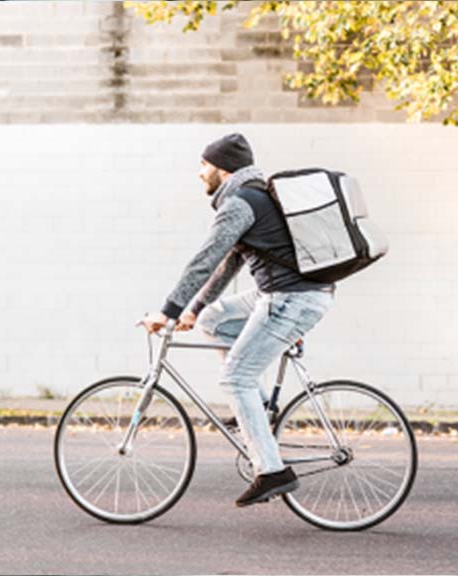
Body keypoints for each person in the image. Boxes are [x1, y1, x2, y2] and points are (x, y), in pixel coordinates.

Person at [139, 133, 335, 507]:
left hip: (288, 298)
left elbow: (206, 258)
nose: (199, 173)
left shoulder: (239, 203)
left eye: (204, 165)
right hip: (291, 294)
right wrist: (194, 309)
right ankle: (258, 408)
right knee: (214, 320)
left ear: (222, 168)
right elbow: (232, 262)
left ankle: (271, 471)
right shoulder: (254, 198)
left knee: (235, 377)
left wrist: (168, 311)